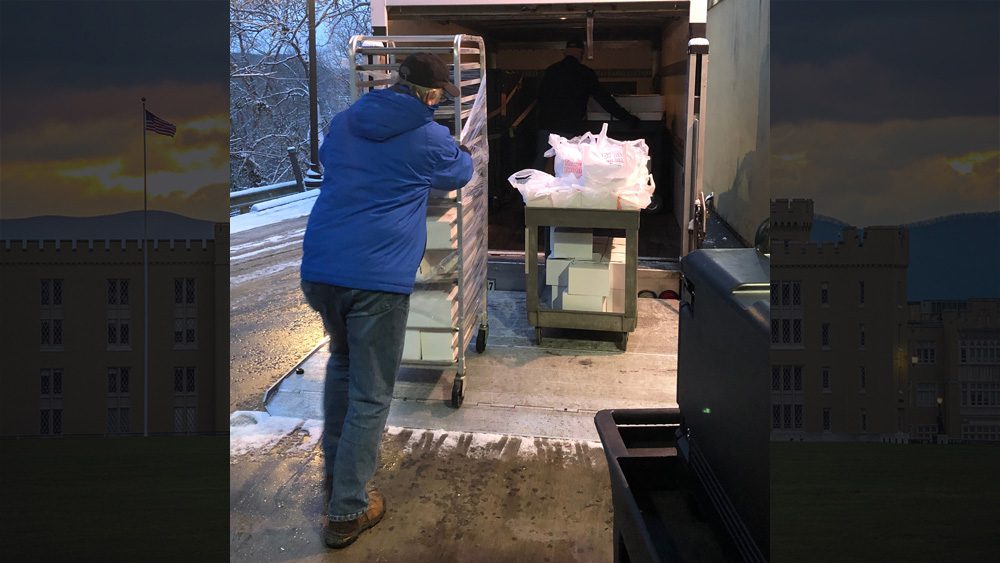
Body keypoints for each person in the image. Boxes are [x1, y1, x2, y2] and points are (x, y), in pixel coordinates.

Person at [300, 52, 474, 549]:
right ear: (433, 95)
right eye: (443, 95)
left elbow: (326, 157)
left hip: (321, 270)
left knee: (343, 365)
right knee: (372, 394)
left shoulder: (346, 119)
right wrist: (453, 145)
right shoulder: (427, 138)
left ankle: (338, 477)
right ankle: (348, 510)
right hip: (375, 281)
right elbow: (460, 171)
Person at [534, 38, 640, 170]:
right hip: (568, 127)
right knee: (566, 167)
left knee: (541, 163)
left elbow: (539, 97)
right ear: (581, 54)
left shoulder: (551, 71)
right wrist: (628, 119)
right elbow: (604, 100)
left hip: (546, 126)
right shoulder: (585, 73)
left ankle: (531, 189)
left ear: (565, 53)